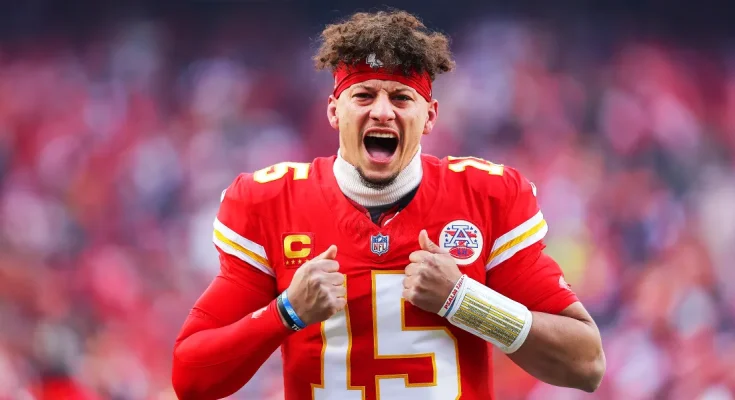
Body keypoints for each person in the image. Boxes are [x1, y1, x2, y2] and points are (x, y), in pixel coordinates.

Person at [171, 9, 606, 400]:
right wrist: (285, 312)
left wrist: (465, 301)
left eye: (401, 97)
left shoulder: (485, 197)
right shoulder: (272, 203)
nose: (382, 112)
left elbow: (586, 364)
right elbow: (191, 378)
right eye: (364, 95)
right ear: (334, 111)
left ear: (430, 115)